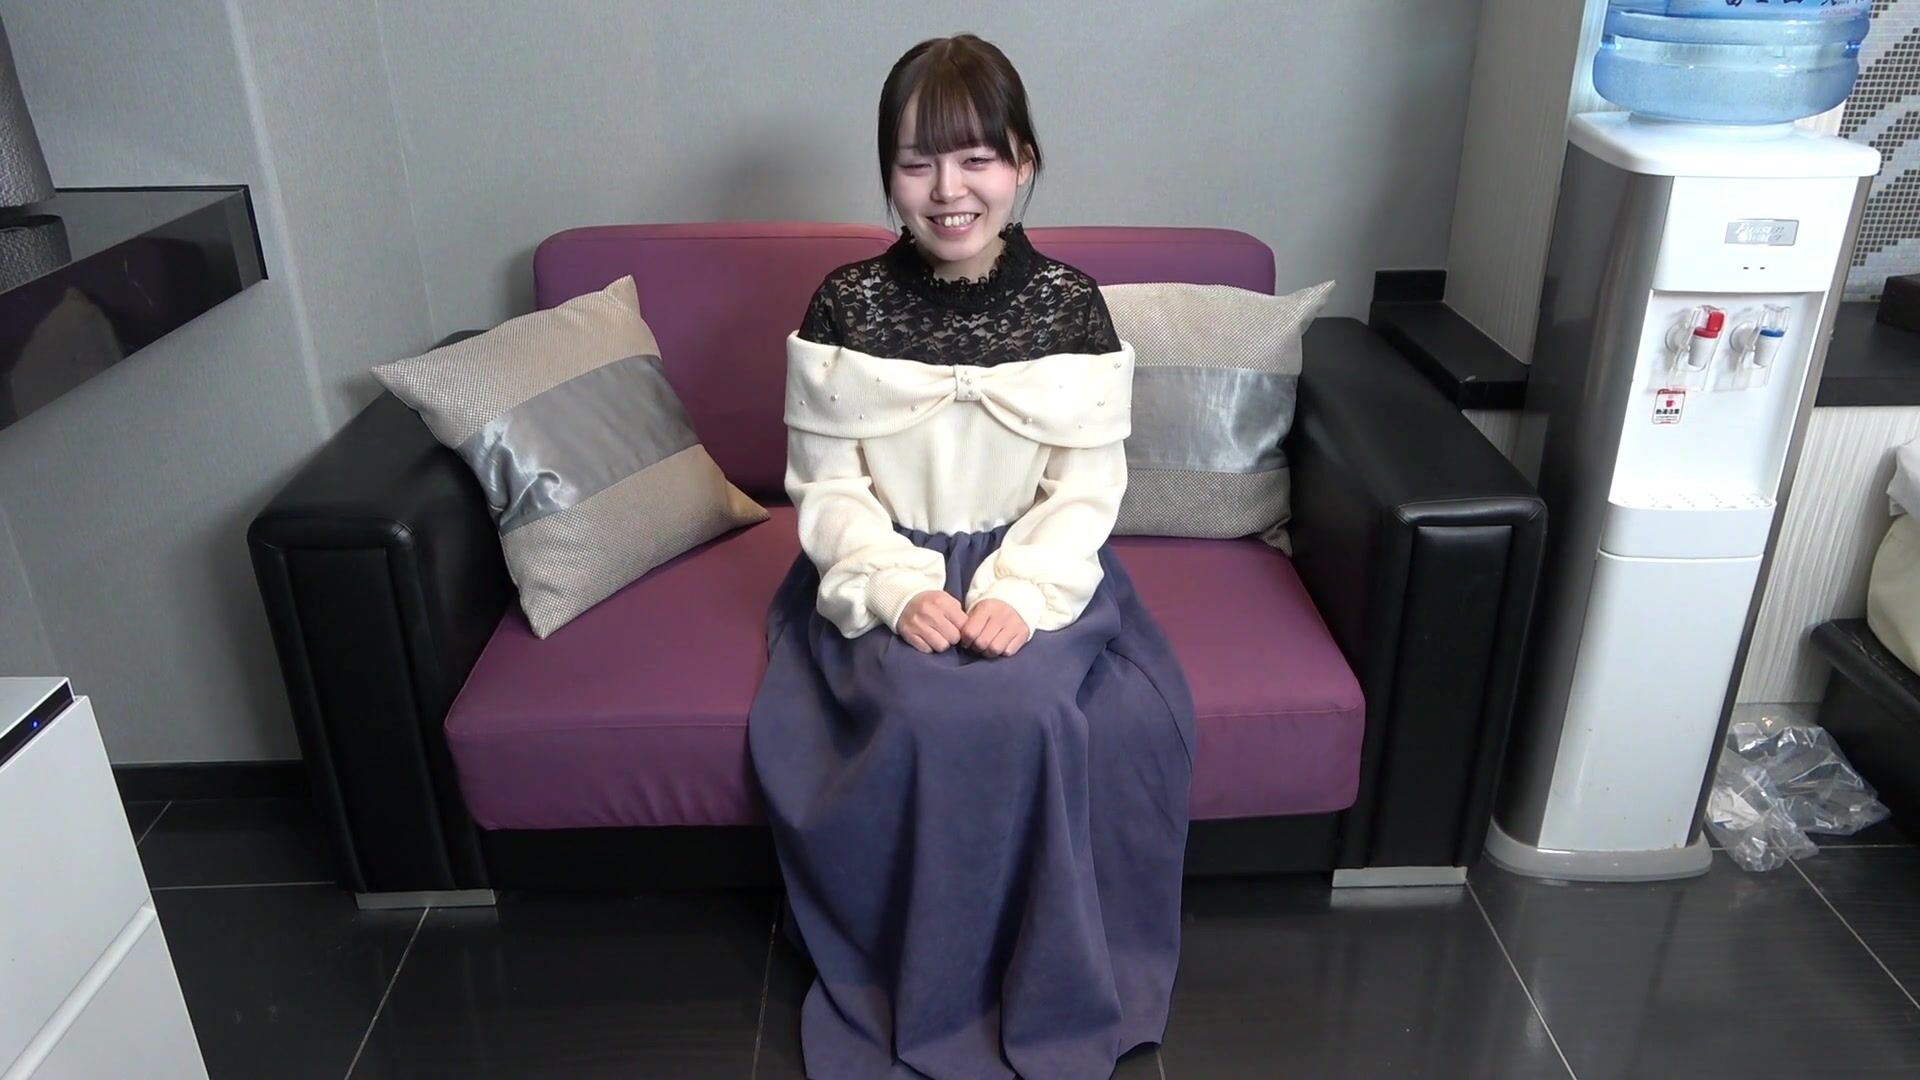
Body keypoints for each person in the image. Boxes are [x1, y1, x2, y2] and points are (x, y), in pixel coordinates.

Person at [747, 32, 1196, 1080]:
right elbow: (828, 488)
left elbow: (1084, 492)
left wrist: (1024, 595)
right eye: (917, 164)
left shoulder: (1072, 303)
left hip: (1042, 568)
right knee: (922, 708)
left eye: (976, 158)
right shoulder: (845, 303)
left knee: (1031, 703)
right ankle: (928, 994)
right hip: (877, 570)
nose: (948, 191)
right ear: (889, 176)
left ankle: (1047, 991)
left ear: (1023, 161)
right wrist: (895, 588)